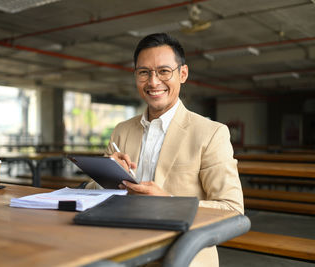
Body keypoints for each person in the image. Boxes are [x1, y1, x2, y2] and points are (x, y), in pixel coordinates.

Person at [86, 33, 244, 267]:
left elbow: (232, 209)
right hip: (122, 250)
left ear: (183, 74)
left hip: (182, 256)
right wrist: (106, 174)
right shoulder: (121, 130)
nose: (153, 82)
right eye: (144, 72)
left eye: (163, 71)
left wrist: (170, 202)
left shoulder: (211, 133)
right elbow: (92, 193)